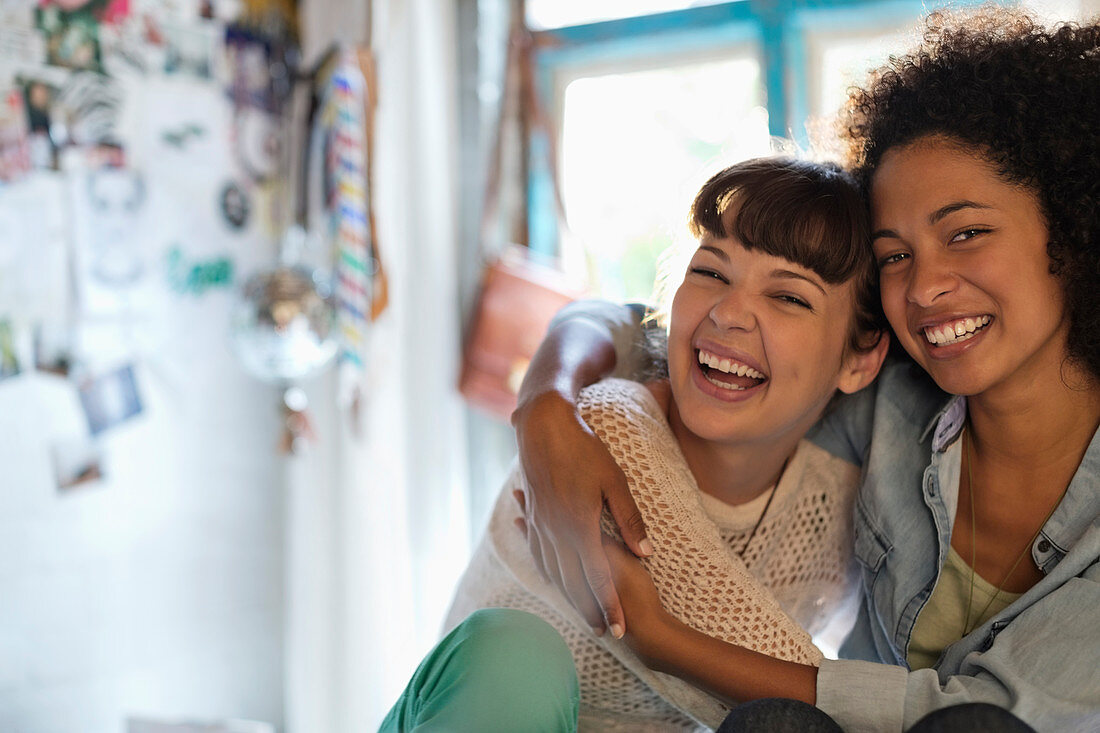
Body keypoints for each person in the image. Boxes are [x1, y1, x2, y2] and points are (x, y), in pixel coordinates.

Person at [512, 6, 1100, 732]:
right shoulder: (888, 395)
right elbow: (640, 326)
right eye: (895, 256)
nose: (922, 287)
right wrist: (545, 406)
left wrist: (668, 640)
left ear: (1075, 231)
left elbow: (985, 712)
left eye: (967, 233)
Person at [381, 156, 890, 731]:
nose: (728, 314)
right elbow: (815, 694)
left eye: (789, 298)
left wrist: (661, 638)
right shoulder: (606, 430)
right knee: (518, 656)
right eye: (712, 273)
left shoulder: (842, 505)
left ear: (862, 357)